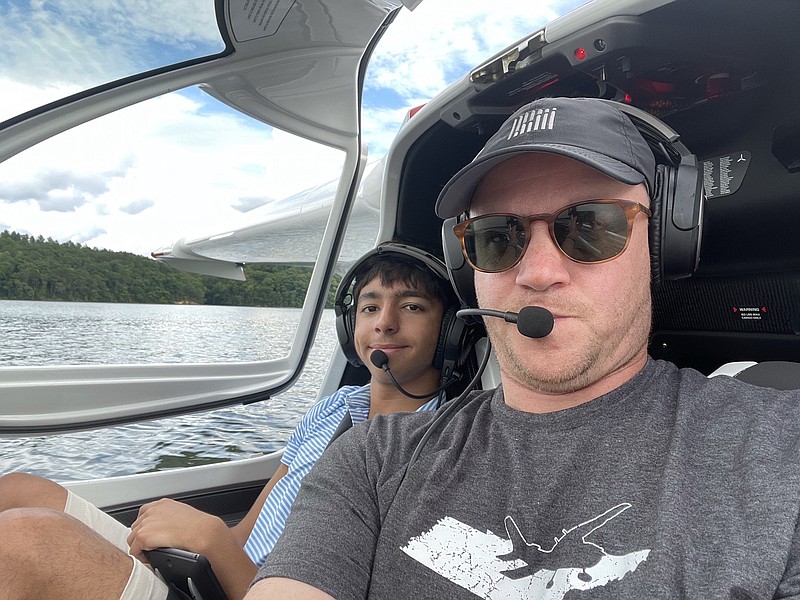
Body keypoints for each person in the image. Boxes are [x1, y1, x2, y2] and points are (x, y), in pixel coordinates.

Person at [245, 97, 800, 599]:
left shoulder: (780, 450)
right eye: (497, 237)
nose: (536, 273)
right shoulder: (373, 457)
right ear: (470, 267)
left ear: (664, 244)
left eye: (591, 225)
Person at [0, 242, 468, 600]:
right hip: (214, 575)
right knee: (19, 490)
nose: (384, 323)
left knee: (26, 539)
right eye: (369, 307)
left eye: (411, 307)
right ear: (350, 328)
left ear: (449, 331)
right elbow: (247, 532)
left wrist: (209, 539)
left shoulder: (444, 446)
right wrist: (200, 544)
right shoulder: (333, 408)